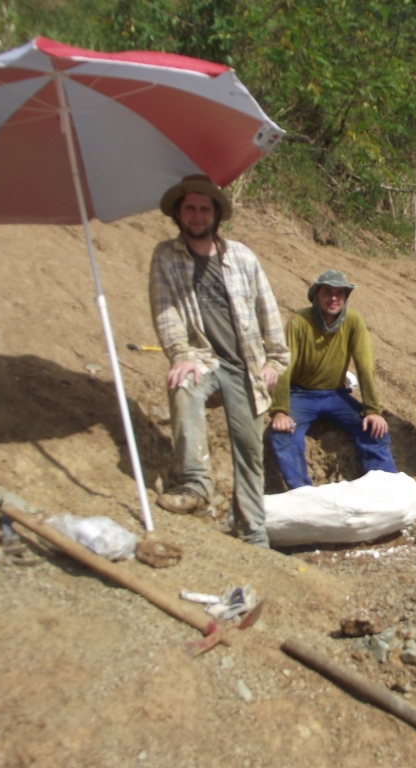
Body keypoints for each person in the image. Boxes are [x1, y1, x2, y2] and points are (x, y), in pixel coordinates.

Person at [148, 175, 289, 548]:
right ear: (179, 213)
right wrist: (180, 355)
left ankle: (252, 532)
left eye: (204, 208)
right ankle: (194, 483)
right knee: (182, 385)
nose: (196, 216)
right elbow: (165, 313)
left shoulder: (241, 257)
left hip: (247, 365)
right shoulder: (166, 256)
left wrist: (276, 359)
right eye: (190, 208)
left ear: (216, 215)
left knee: (249, 450)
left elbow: (267, 308)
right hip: (201, 358)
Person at [268, 270, 396, 488]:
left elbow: (365, 365)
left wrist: (373, 410)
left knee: (374, 431)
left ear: (346, 298)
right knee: (281, 435)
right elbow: (285, 366)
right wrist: (280, 410)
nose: (333, 298)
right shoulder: (299, 321)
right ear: (316, 294)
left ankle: (384, 491)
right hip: (299, 393)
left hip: (335, 394)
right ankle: (303, 495)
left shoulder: (353, 321)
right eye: (327, 292)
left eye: (340, 293)